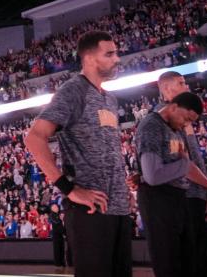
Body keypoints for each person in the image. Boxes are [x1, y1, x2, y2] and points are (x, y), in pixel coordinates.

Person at [25, 30, 131, 277]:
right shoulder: (73, 90)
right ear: (90, 58)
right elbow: (34, 138)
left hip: (118, 207)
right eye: (110, 54)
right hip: (90, 208)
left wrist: (124, 191)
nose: (117, 59)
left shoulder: (111, 99)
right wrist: (68, 188)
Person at [136, 92, 207, 277]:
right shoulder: (152, 125)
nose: (186, 124)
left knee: (187, 262)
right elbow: (153, 175)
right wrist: (183, 165)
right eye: (186, 118)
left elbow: (183, 166)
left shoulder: (176, 130)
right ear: (174, 107)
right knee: (169, 264)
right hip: (158, 199)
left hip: (178, 197)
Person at [158, 71, 207, 277]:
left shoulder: (186, 119)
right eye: (181, 83)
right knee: (188, 264)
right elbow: (182, 165)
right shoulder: (161, 119)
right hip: (183, 198)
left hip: (198, 196)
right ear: (166, 89)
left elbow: (194, 160)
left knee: (201, 262)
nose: (186, 87)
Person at [49, 204, 65, 269]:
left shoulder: (58, 215)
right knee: (57, 249)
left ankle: (61, 262)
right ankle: (58, 263)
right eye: (55, 207)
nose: (57, 208)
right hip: (56, 235)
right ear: (52, 209)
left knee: (61, 249)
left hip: (60, 235)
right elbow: (56, 222)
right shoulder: (52, 215)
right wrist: (61, 219)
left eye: (57, 206)